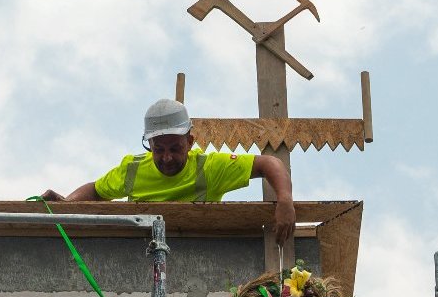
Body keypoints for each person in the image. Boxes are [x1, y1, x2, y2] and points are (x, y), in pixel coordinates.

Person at [42, 98, 295, 256]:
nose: (167, 158)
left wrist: (284, 200)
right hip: (143, 256)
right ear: (149, 144)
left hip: (198, 253)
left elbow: (269, 163)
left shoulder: (210, 167)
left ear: (190, 141)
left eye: (175, 148)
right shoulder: (133, 169)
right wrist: (67, 205)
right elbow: (96, 190)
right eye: (158, 149)